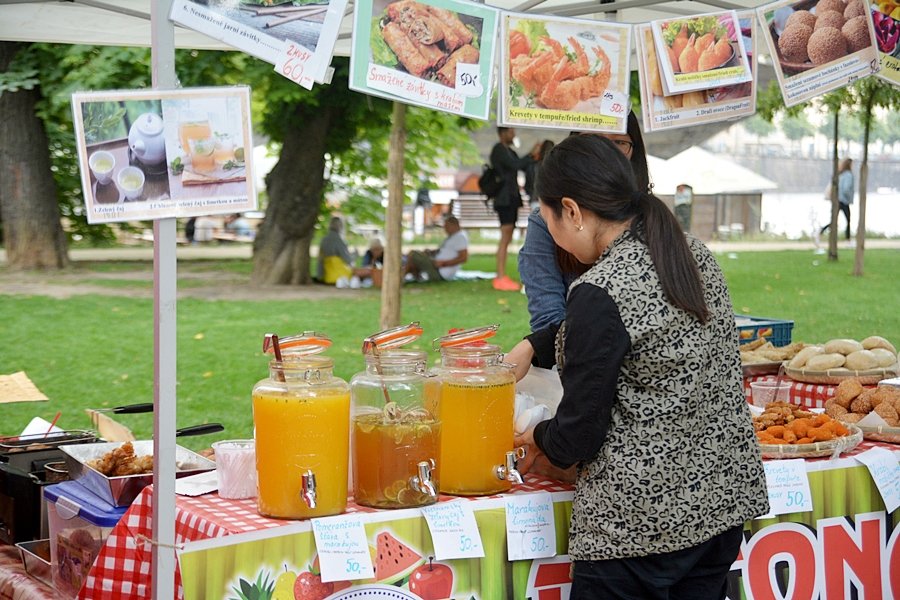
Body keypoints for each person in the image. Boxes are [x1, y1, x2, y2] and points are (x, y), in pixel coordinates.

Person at [506, 135, 768, 598]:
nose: (551, 236)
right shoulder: (690, 253)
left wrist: (535, 437)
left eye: (547, 221)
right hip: (718, 510)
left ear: (571, 211)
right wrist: (536, 343)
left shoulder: (600, 288)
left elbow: (575, 437)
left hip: (637, 529)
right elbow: (639, 330)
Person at [518, 110, 651, 332]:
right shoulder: (545, 220)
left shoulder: (655, 222)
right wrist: (541, 345)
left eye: (618, 142)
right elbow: (548, 318)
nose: (606, 154)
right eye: (594, 140)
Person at [489, 127, 537, 292]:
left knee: (507, 237)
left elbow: (522, 165)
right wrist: (531, 153)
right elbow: (515, 165)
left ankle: (502, 275)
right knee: (505, 236)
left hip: (512, 199)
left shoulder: (510, 151)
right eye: (511, 131)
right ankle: (500, 276)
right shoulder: (499, 150)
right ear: (503, 133)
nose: (514, 134)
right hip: (504, 200)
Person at [404, 216, 468, 282]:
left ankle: (403, 276)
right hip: (436, 266)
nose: (445, 228)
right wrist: (431, 252)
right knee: (416, 257)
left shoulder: (460, 237)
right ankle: (412, 276)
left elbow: (463, 258)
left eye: (447, 226)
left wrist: (443, 263)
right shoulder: (452, 237)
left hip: (441, 272)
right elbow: (444, 251)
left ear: (454, 225)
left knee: (413, 254)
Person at [317, 216, 361, 286]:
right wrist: (355, 254)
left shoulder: (323, 240)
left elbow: (320, 260)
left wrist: (319, 276)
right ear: (341, 226)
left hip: (327, 276)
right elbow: (347, 260)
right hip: (339, 276)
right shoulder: (339, 241)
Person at [820, 158, 854, 241]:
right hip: (844, 201)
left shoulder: (840, 174)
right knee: (848, 219)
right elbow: (846, 189)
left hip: (836, 200)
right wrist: (849, 197)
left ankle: (822, 231)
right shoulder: (849, 175)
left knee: (834, 219)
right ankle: (847, 238)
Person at [524, 139, 555, 208]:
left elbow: (527, 185)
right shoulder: (556, 168)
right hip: (551, 203)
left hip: (535, 200)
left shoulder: (532, 166)